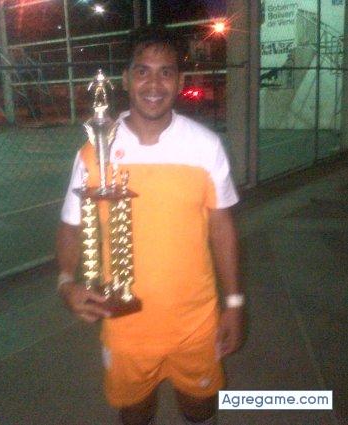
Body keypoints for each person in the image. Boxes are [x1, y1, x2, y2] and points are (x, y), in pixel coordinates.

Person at [57, 25, 244, 425]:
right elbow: (71, 225)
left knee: (200, 409)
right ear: (125, 79)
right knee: (135, 411)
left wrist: (233, 303)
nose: (154, 84)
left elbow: (222, 228)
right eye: (142, 71)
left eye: (165, 72)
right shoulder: (93, 153)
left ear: (180, 81)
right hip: (125, 325)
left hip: (195, 321)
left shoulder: (205, 145)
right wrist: (65, 282)